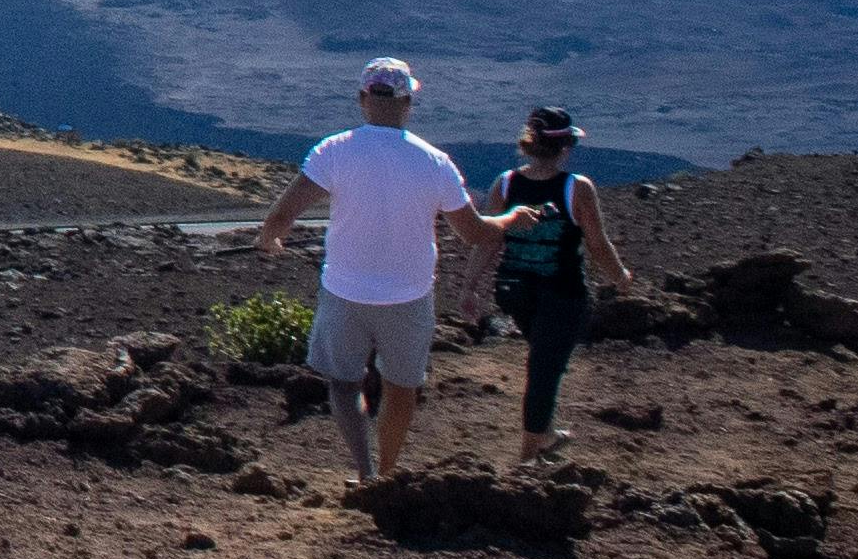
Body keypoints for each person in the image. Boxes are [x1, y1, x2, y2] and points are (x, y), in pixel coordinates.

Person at [250, 58, 478, 487]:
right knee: (402, 388)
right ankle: (387, 474)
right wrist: (509, 221)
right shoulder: (435, 162)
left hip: (345, 290)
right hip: (409, 296)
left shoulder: (334, 151)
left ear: (363, 99)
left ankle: (365, 470)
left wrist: (270, 238)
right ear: (408, 100)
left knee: (343, 382)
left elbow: (282, 214)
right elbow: (471, 233)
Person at [474, 105, 639, 459]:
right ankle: (530, 452)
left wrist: (470, 287)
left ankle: (544, 433)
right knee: (545, 368)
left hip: (514, 291)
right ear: (565, 145)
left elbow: (489, 240)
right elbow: (597, 243)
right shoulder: (576, 188)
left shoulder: (505, 183)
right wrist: (620, 277)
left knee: (544, 360)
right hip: (561, 293)